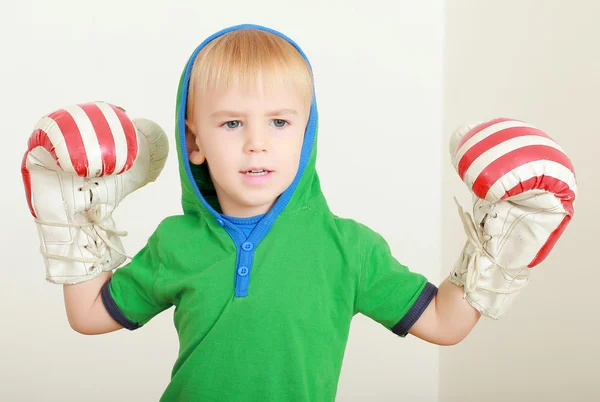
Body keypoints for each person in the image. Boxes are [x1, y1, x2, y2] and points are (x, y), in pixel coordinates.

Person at [22, 23, 576, 401]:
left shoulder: (349, 249)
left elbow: (445, 323)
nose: (257, 143)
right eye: (232, 123)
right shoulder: (176, 242)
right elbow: (89, 317)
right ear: (196, 141)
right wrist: (70, 219)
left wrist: (501, 240)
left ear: (306, 134)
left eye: (280, 122)